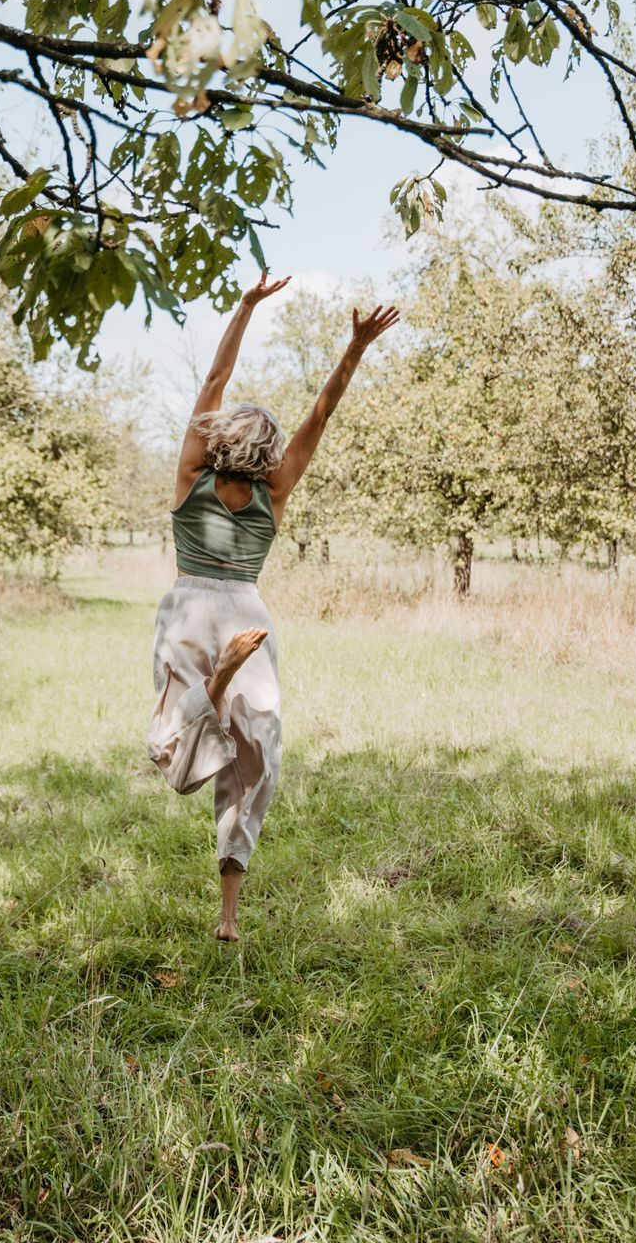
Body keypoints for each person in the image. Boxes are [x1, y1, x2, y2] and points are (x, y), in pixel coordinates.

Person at [146, 273, 401, 941]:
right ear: (264, 449)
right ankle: (228, 910)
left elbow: (214, 379)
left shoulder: (190, 474)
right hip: (245, 617)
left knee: (172, 751)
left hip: (190, 609)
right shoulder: (277, 490)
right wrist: (355, 349)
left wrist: (247, 306)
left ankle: (212, 686)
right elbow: (322, 413)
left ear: (223, 435)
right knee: (256, 757)